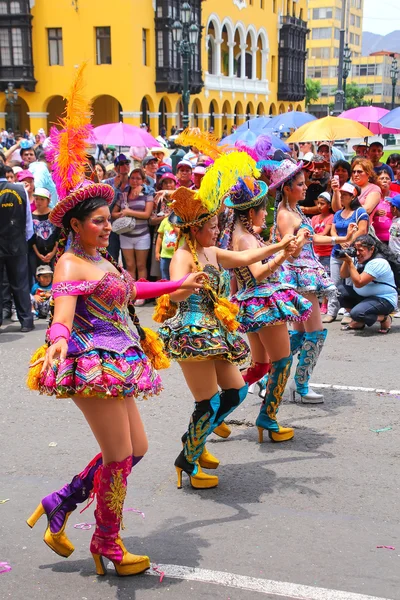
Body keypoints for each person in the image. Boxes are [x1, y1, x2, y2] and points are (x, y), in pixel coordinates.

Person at [26, 66, 206, 576]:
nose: (109, 226)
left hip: (120, 357)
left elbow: (134, 290)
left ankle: (61, 501)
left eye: (110, 219)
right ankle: (107, 542)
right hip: (89, 363)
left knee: (135, 449)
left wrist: (178, 284)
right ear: (76, 225)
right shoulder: (71, 262)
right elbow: (62, 313)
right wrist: (58, 339)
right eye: (99, 221)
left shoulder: (105, 260)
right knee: (120, 455)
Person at [157, 153, 304, 488]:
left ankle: (193, 442)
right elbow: (173, 293)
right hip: (192, 333)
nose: (217, 231)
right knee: (207, 403)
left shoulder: (211, 252)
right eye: (211, 227)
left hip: (216, 331)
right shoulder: (182, 256)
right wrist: (184, 286)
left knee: (236, 391)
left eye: (217, 226)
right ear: (195, 229)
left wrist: (280, 245)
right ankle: (188, 461)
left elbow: (246, 256)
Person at [225, 176, 312, 441]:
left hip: (249, 302)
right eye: (263, 210)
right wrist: (283, 254)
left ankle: (216, 409)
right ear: (251, 212)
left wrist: (289, 249)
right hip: (263, 303)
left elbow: (235, 274)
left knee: (260, 366)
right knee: (282, 360)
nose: (266, 214)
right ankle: (268, 417)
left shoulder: (240, 235)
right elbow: (258, 273)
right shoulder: (247, 240)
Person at [272, 160, 356, 403]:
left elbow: (311, 238)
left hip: (306, 273)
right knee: (316, 332)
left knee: (298, 334)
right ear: (287, 188)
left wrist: (341, 239)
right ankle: (301, 384)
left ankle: (271, 376)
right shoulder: (286, 215)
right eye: (300, 184)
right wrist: (299, 238)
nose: (305, 187)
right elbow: (293, 250)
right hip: (300, 277)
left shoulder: (296, 210)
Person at [324, 182, 369, 324]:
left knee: (350, 282)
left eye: (344, 195)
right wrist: (340, 240)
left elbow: (362, 230)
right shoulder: (338, 213)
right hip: (336, 252)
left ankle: (350, 311)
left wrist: (349, 241)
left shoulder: (360, 212)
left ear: (352, 196)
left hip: (351, 252)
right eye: (341, 194)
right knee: (334, 283)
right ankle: (332, 311)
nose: (341, 197)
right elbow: (333, 229)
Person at [338, 234, 397, 333]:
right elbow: (343, 275)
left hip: (384, 299)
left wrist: (350, 263)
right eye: (355, 249)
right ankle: (359, 322)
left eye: (361, 250)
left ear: (372, 249)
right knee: (340, 290)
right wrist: (346, 259)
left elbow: (359, 283)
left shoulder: (379, 262)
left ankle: (384, 318)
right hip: (366, 297)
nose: (357, 253)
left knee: (357, 313)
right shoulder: (357, 258)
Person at [0, 161, 34, 332]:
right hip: (17, 242)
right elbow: (28, 220)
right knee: (20, 283)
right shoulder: (20, 189)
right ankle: (26, 321)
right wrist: (24, 239)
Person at [111, 168, 154, 302]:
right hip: (126, 235)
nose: (134, 181)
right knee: (129, 266)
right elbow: (114, 213)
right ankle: (131, 293)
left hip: (142, 235)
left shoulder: (148, 193)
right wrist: (123, 214)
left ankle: (142, 294)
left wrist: (129, 212)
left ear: (143, 180)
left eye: (138, 178)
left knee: (141, 265)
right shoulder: (124, 193)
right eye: (132, 178)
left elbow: (147, 214)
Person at [103, 153, 131, 263]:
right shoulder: (108, 183)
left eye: (127, 163)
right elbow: (106, 207)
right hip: (111, 225)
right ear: (115, 168)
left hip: (128, 225)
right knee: (112, 258)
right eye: (121, 163)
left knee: (128, 261)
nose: (125, 166)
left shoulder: (133, 181)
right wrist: (115, 188)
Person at [311, 192, 334, 314]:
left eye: (322, 203)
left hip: (326, 253)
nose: (319, 206)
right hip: (315, 253)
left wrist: (312, 236)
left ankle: (325, 304)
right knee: (315, 279)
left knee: (326, 278)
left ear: (329, 205)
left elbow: (324, 233)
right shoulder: (314, 218)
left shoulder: (331, 217)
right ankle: (316, 303)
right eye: (318, 203)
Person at [30, 187, 60, 276]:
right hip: (38, 253)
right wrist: (38, 254)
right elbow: (31, 237)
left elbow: (59, 235)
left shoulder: (54, 215)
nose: (38, 202)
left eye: (42, 199)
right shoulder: (32, 216)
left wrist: (54, 252)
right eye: (37, 199)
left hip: (53, 251)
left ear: (48, 201)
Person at [373, 170, 396, 244]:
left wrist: (394, 210)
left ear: (391, 181)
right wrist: (375, 213)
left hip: (393, 237)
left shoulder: (396, 197)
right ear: (376, 181)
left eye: (387, 178)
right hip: (375, 237)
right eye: (382, 178)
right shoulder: (372, 196)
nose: (385, 180)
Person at [155, 214, 180, 280]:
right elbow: (160, 237)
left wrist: (175, 225)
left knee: (175, 276)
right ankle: (166, 289)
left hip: (177, 256)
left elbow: (180, 234)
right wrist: (157, 252)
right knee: (165, 276)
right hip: (165, 255)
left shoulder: (181, 223)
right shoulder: (165, 221)